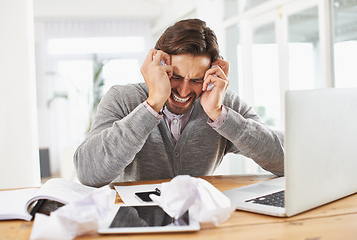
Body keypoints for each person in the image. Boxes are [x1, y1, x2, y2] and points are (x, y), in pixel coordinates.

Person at [74, 19, 284, 187]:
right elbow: (88, 174)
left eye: (196, 80)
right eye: (175, 76)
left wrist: (219, 115)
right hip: (134, 225)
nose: (184, 91)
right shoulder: (122, 98)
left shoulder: (221, 102)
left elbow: (287, 160)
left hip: (199, 222)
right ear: (157, 66)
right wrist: (153, 104)